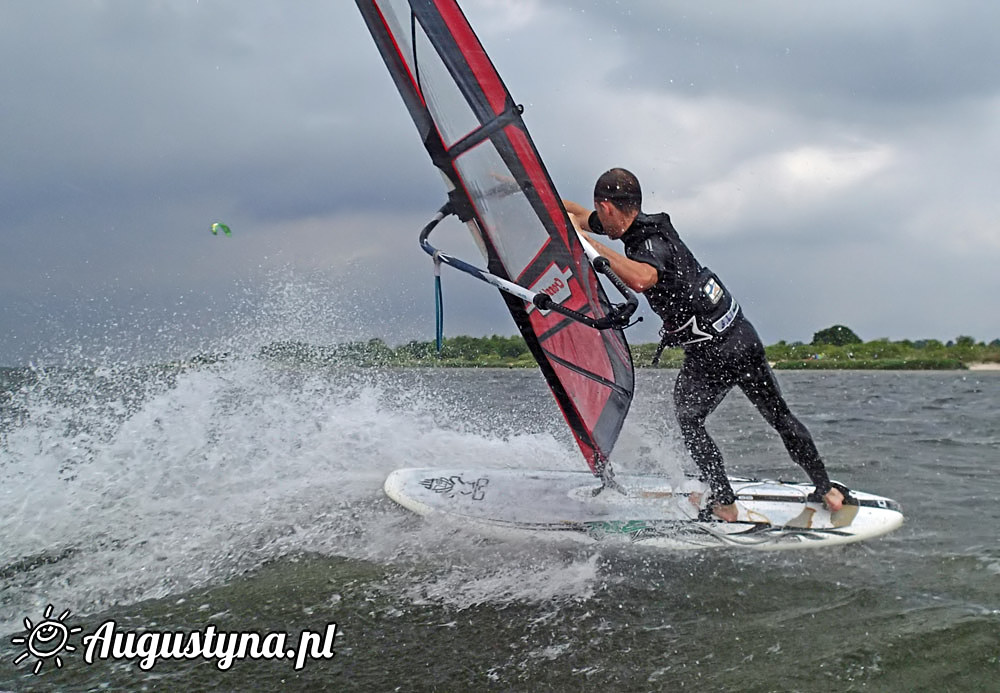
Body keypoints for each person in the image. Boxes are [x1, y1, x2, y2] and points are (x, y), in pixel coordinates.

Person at [564, 168, 848, 522]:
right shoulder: (647, 223)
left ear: (606, 206)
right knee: (779, 416)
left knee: (689, 419)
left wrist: (587, 243)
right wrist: (529, 195)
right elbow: (574, 212)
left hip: (713, 351)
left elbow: (641, 278)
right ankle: (827, 489)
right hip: (741, 334)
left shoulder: (649, 244)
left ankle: (725, 503)